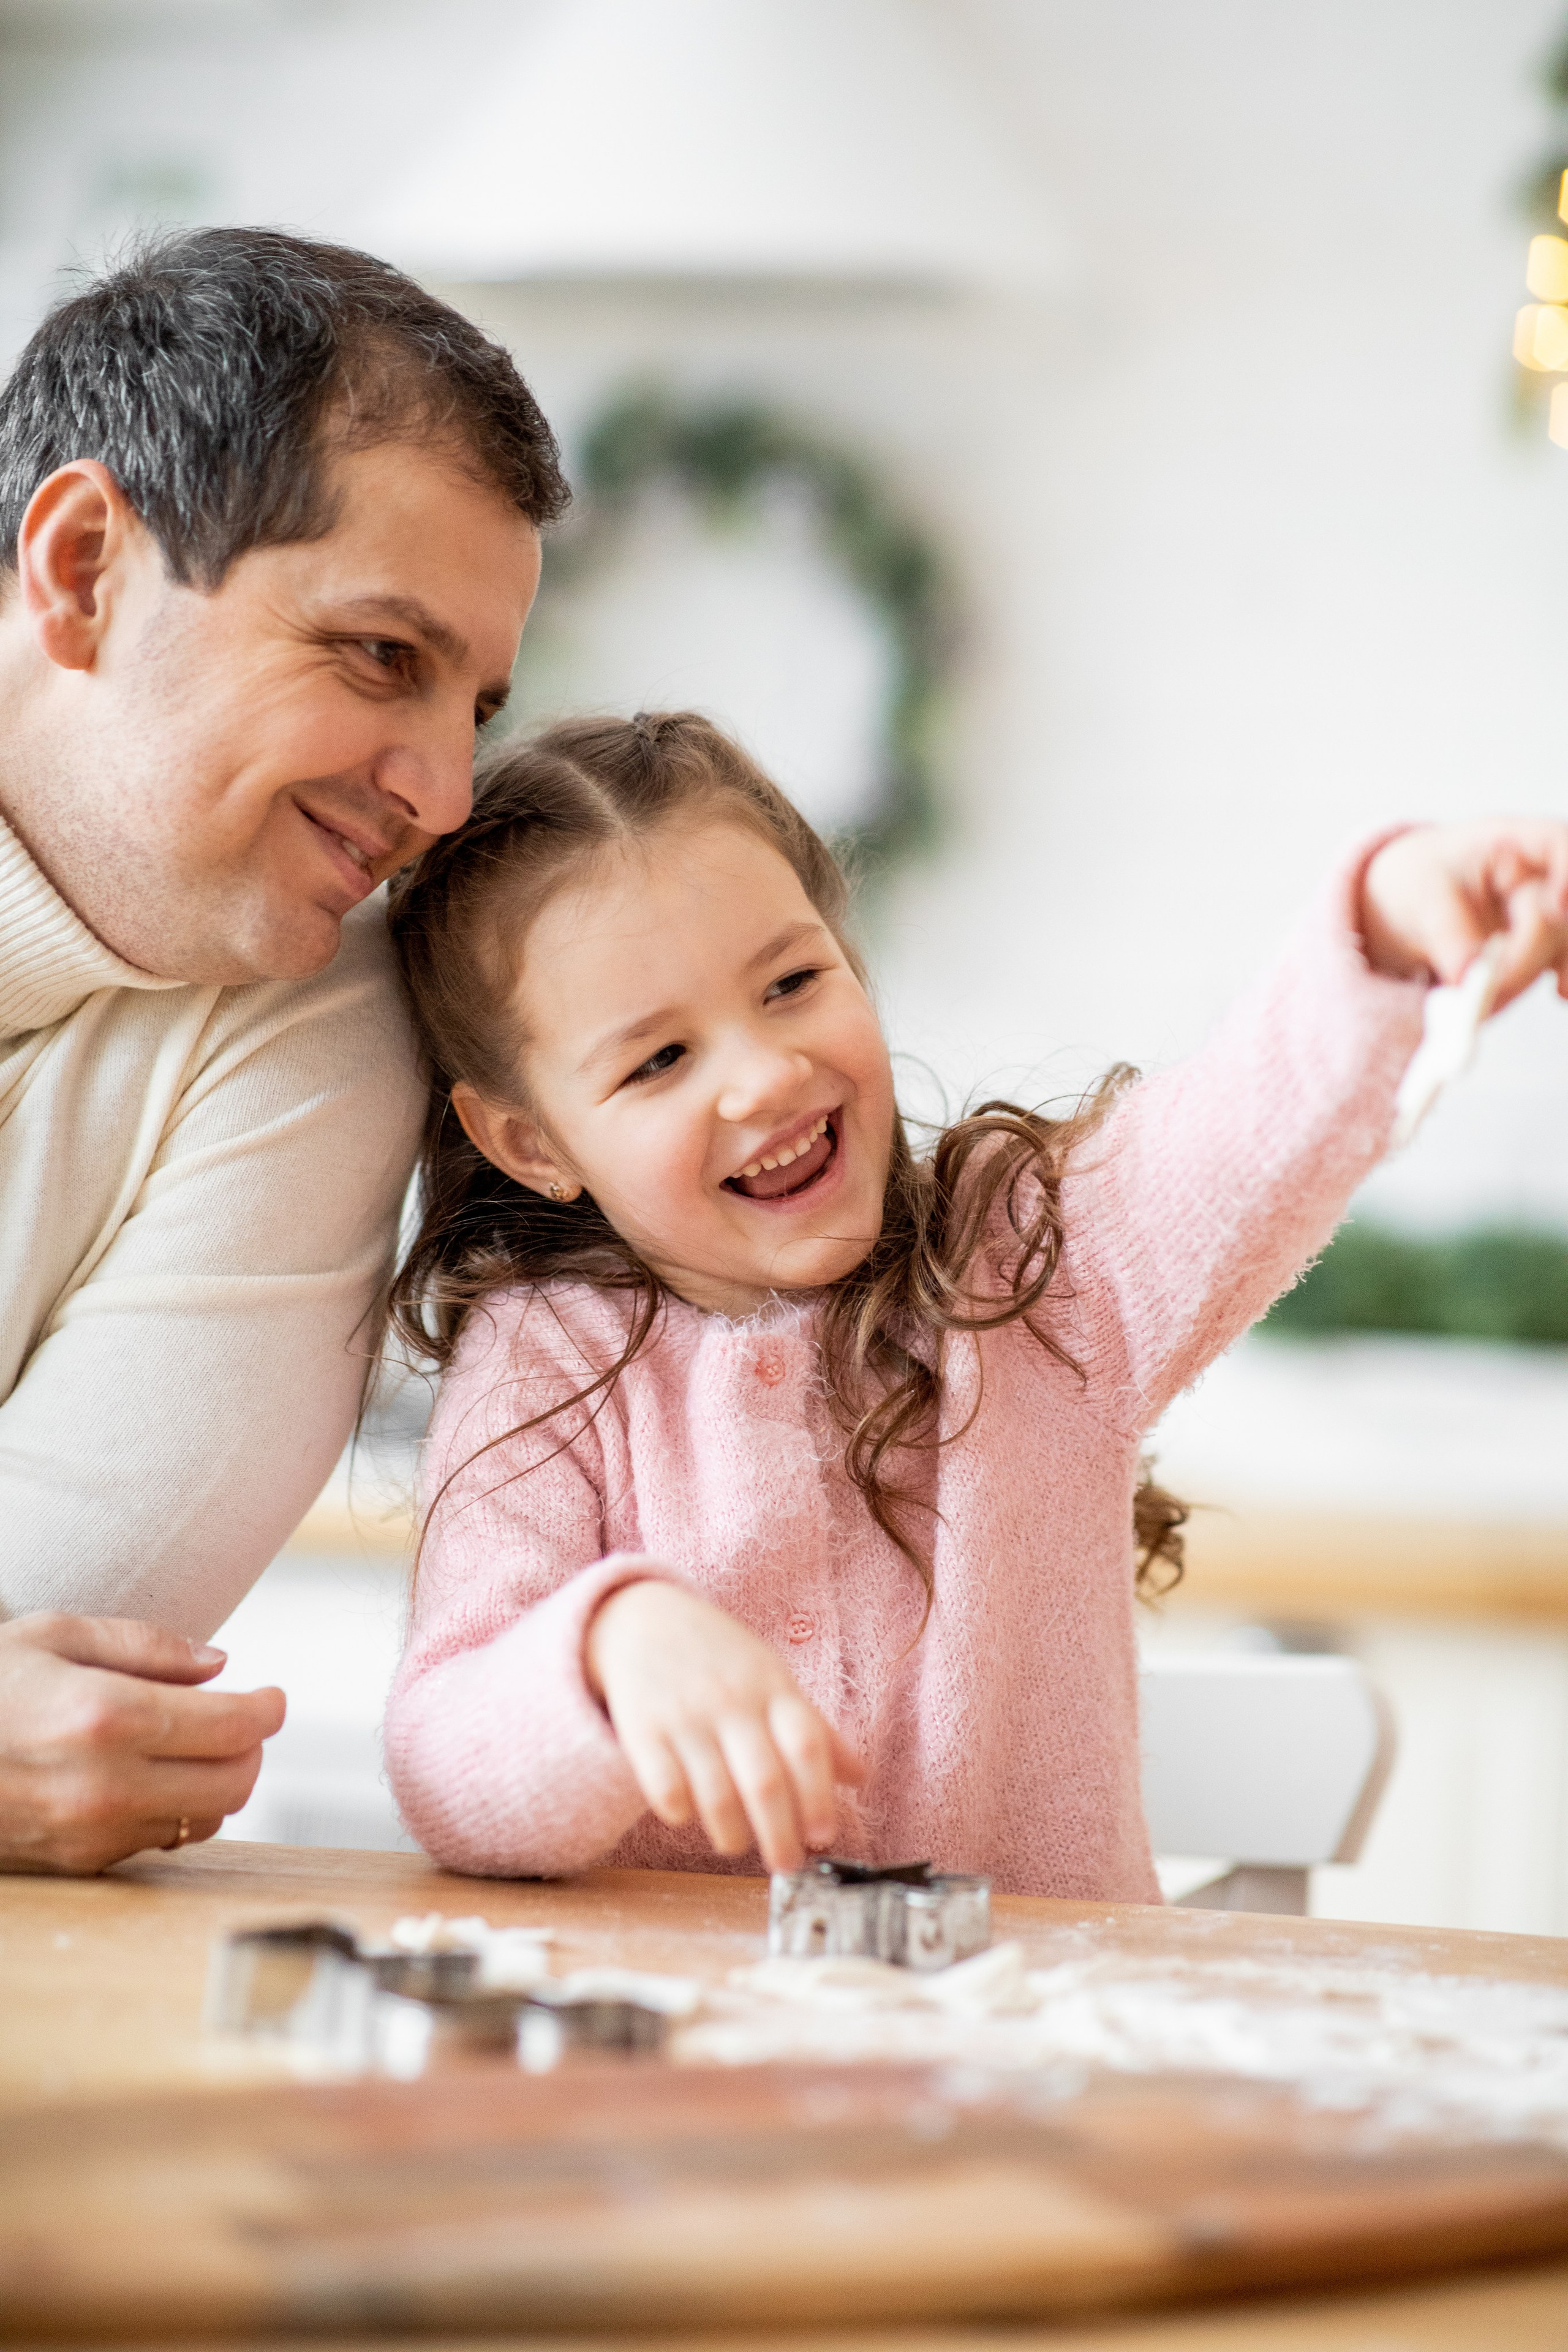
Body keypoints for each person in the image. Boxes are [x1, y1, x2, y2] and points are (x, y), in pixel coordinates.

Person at [378, 712, 1568, 1899]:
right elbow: (445, 1769)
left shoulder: (1036, 1263)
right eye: (658, 1060)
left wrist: (1384, 927)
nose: (766, 1074)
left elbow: (1242, 1125)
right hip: (679, 2025)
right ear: (530, 1142)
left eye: (792, 983)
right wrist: (605, 1649)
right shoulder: (538, 1361)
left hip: (1043, 2022)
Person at [0, 227, 565, 1873]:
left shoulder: (311, 1012)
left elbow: (62, 1636)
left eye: (474, 708)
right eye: (383, 656)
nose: (444, 797)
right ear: (85, 570)